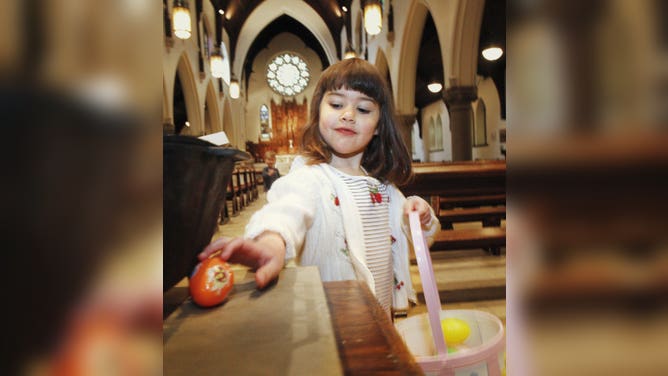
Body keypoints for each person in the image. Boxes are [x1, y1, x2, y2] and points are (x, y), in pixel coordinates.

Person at [199, 58, 439, 316]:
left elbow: (417, 240)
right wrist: (271, 242)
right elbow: (287, 210)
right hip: (331, 318)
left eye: (363, 110)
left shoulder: (384, 186)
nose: (348, 115)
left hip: (381, 314)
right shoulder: (310, 178)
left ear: (379, 125)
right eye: (336, 104)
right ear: (318, 113)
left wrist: (419, 217)